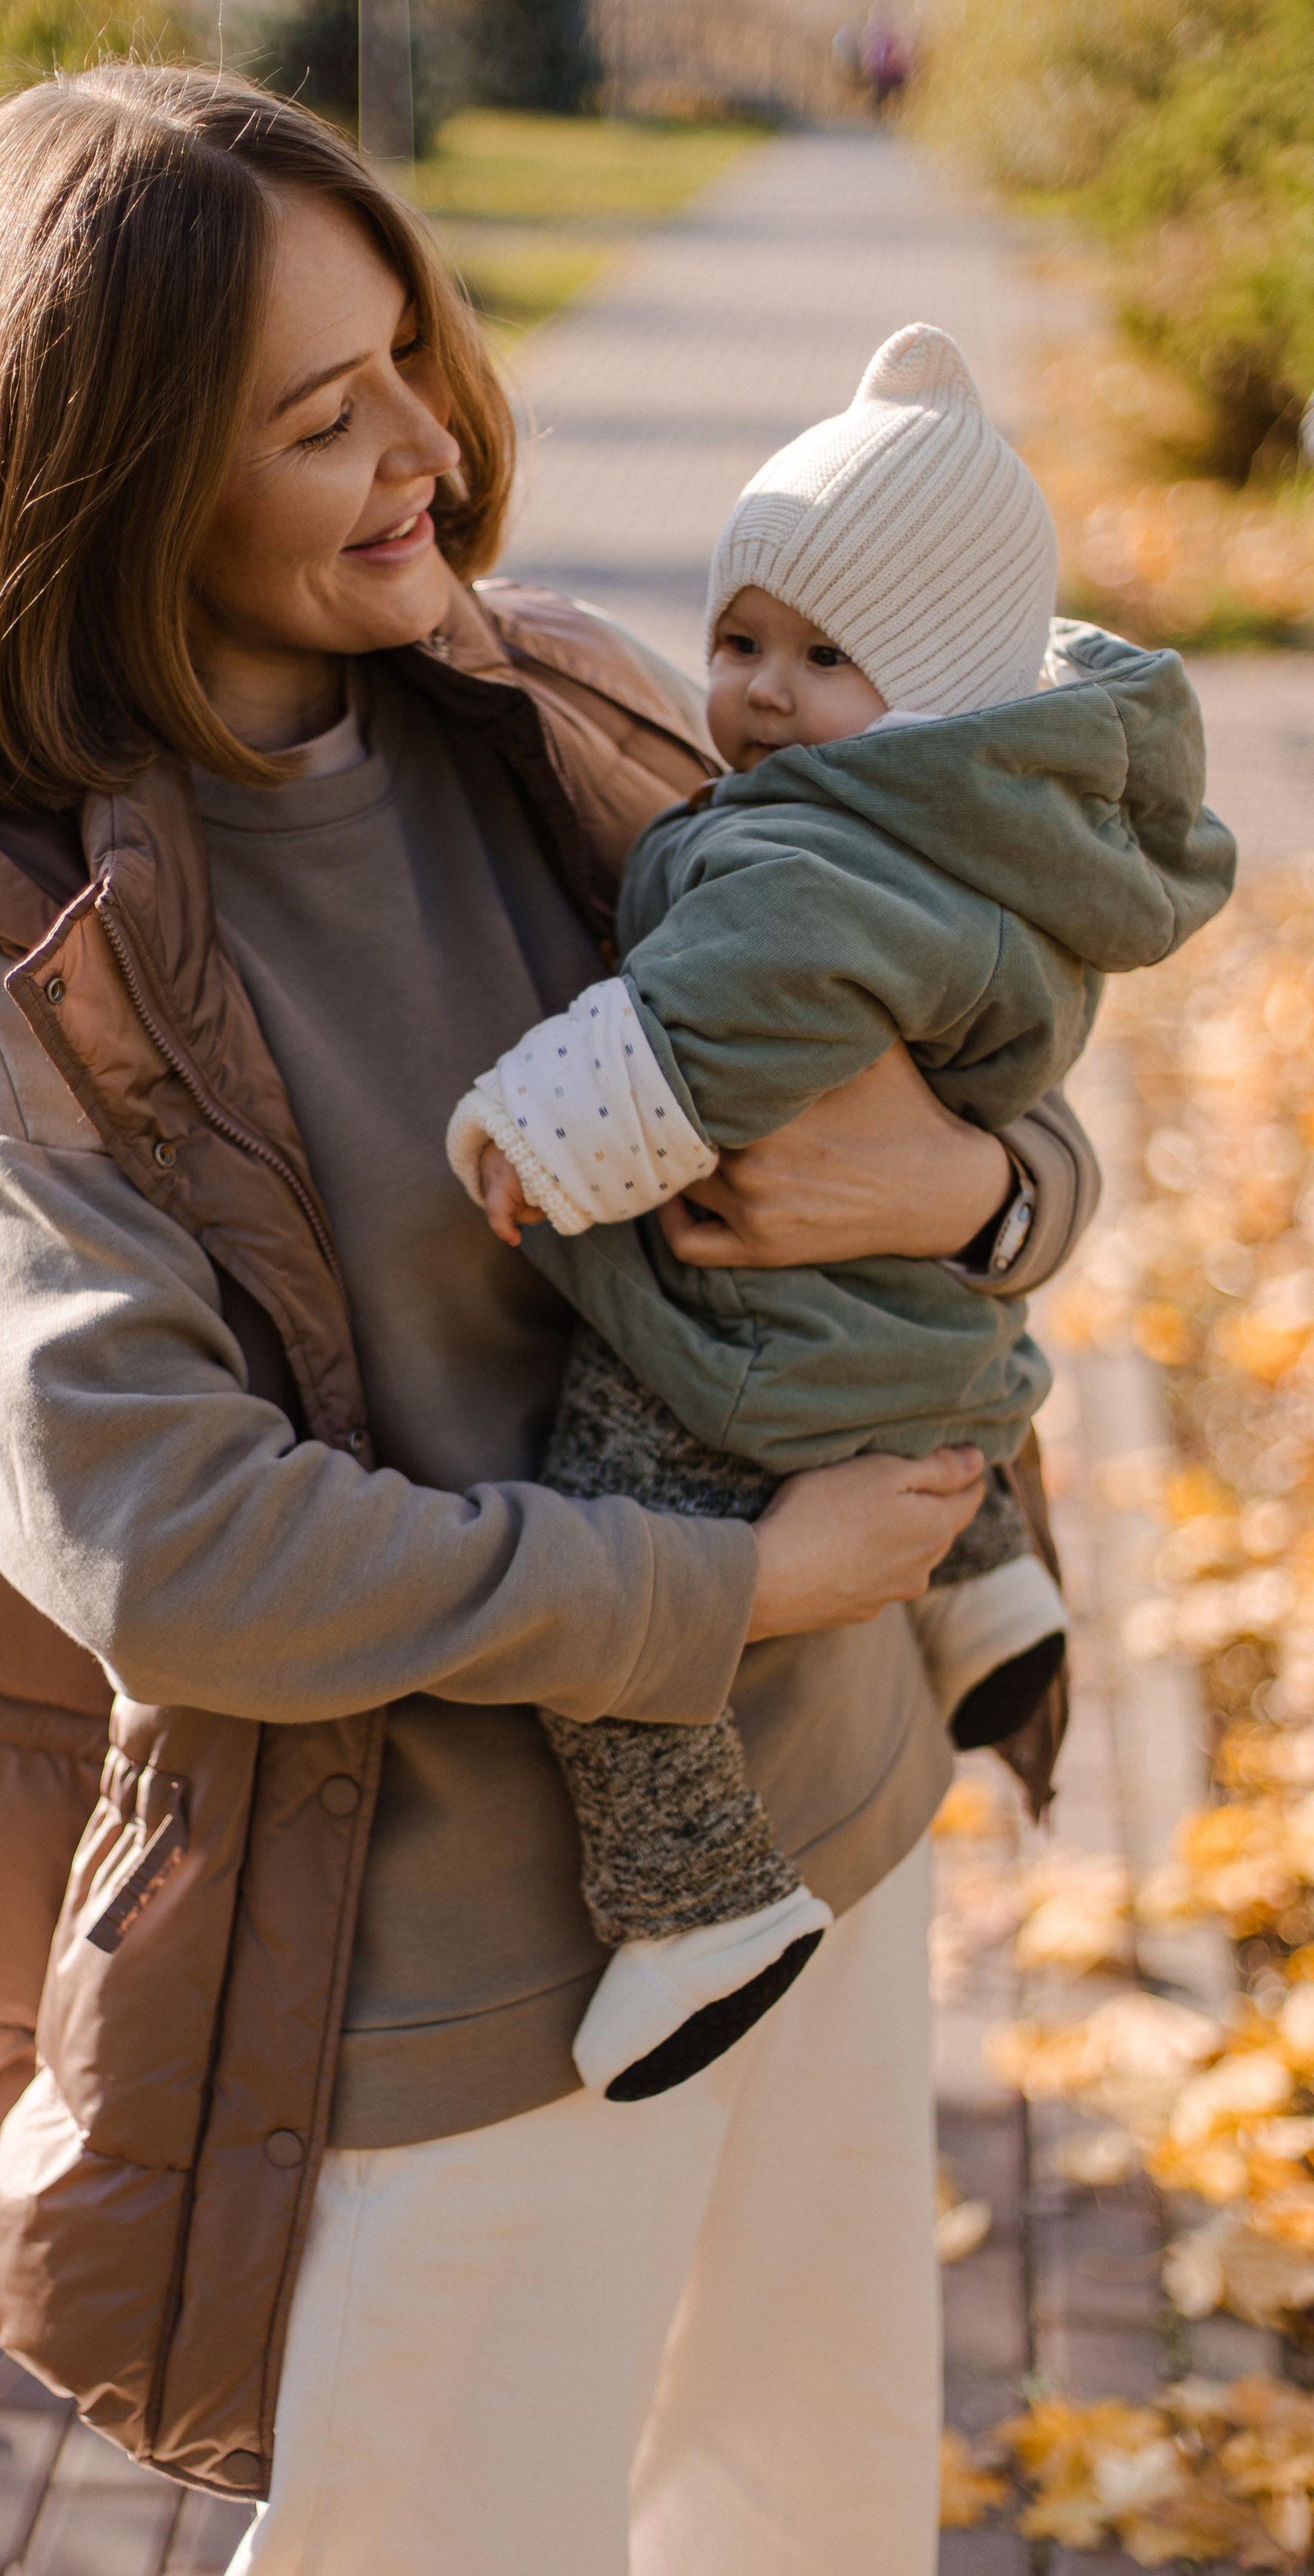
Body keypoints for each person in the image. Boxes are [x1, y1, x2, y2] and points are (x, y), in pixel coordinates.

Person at [0, 63, 1104, 2576]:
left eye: (409, 358)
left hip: (827, 1833)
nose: (424, 450)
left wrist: (963, 1206)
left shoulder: (553, 712)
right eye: (315, 416)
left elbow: (995, 1080)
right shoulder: (14, 996)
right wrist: (728, 1586)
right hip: (463, 1983)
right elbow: (179, 1546)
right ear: (124, 480)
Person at [450, 325, 1235, 2101]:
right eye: (738, 641)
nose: (757, 695)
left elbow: (716, 1018)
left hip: (755, 1337)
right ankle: (987, 1591)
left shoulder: (810, 858)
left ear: (944, 684)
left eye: (827, 657)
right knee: (931, 1412)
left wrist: (539, 1129)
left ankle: (694, 1899)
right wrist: (981, 1194)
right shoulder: (987, 828)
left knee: (618, 1552)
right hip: (932, 1327)